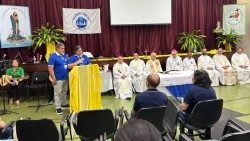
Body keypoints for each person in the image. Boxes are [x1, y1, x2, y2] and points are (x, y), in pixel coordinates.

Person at [179, 69, 217, 137]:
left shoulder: (192, 90)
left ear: (196, 78)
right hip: (211, 119)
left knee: (180, 112)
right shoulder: (211, 89)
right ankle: (207, 134)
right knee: (198, 107)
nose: (192, 77)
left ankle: (185, 135)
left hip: (194, 121)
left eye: (193, 76)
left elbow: (183, 107)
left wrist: (182, 103)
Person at [48, 43, 69, 115]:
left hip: (65, 77)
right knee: (57, 93)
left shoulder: (64, 56)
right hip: (58, 79)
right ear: (57, 49)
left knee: (64, 92)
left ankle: (64, 104)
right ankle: (58, 108)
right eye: (62, 48)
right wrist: (53, 79)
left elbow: (67, 65)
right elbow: (50, 68)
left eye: (64, 48)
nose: (64, 49)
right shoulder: (53, 57)